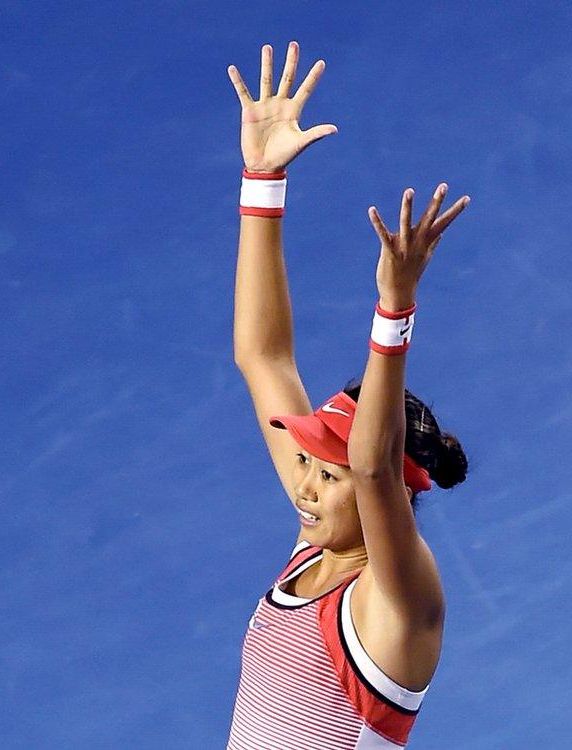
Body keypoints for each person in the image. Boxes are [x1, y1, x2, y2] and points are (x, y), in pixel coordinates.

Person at [224, 42, 470, 749]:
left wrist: (393, 311)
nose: (305, 486)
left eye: (328, 475)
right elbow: (261, 355)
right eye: (311, 465)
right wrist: (261, 182)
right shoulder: (316, 541)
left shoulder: (401, 603)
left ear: (384, 491)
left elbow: (369, 464)